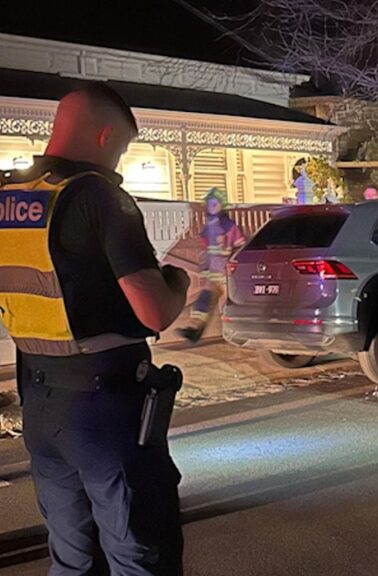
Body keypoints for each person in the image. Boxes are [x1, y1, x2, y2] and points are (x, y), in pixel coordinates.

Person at [0, 83, 189, 574]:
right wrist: (180, 278)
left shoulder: (7, 197)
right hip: (107, 406)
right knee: (139, 551)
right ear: (106, 135)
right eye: (122, 147)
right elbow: (155, 312)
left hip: (39, 405)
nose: (119, 158)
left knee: (73, 554)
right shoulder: (100, 195)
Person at [177, 187, 245, 344]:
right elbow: (206, 246)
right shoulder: (209, 225)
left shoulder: (229, 226)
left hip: (227, 273)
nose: (212, 206)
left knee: (230, 304)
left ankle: (237, 332)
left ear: (222, 205)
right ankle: (195, 329)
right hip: (215, 271)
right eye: (210, 203)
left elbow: (240, 245)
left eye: (216, 203)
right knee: (205, 300)